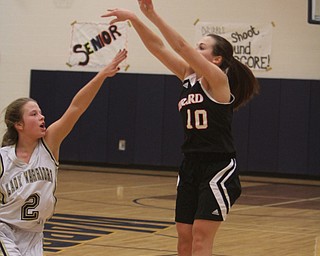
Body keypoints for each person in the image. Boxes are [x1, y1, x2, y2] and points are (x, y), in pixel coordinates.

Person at [102, 1, 259, 256]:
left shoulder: (218, 80)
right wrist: (134, 18)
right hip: (190, 165)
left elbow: (180, 46)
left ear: (216, 59)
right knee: (184, 238)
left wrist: (151, 13)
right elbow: (157, 47)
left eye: (202, 47)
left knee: (200, 237)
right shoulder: (189, 76)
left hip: (217, 167)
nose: (195, 50)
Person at [0, 49, 127, 256]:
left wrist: (102, 74)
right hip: (4, 230)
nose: (42, 117)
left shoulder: (49, 145)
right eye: (34, 114)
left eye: (40, 112)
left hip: (34, 234)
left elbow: (77, 107)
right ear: (19, 125)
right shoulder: (4, 158)